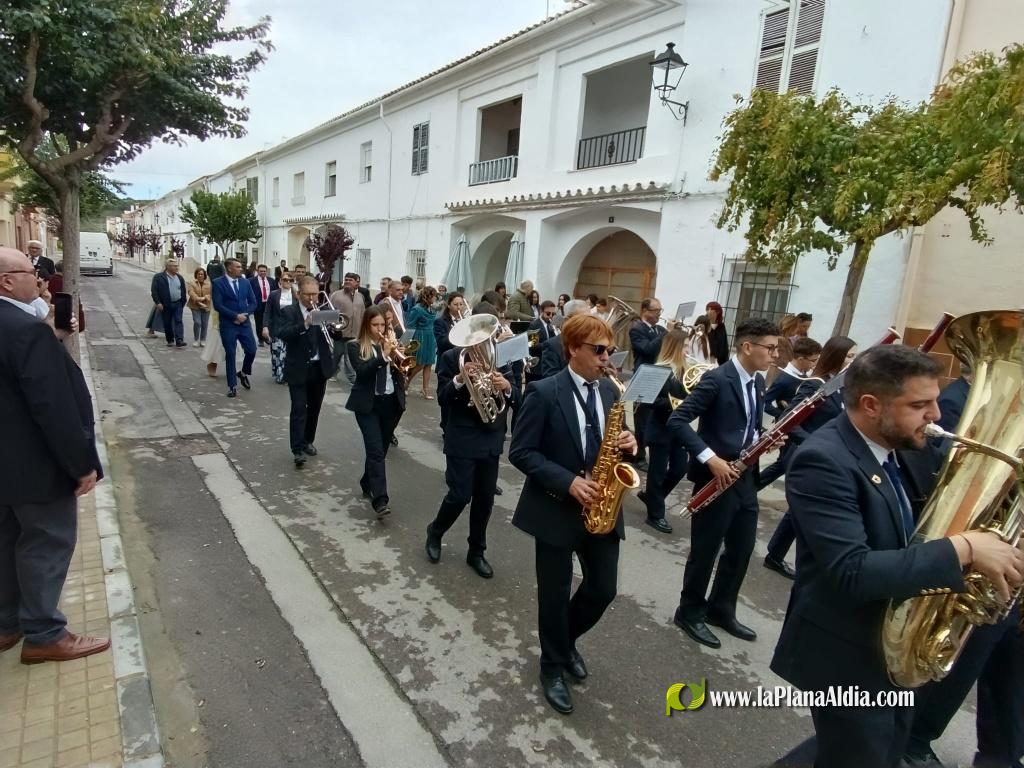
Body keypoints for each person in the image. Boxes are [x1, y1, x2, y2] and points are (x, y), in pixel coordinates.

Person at [771, 344, 1024, 768]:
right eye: (920, 405)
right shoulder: (821, 459)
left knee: (884, 748)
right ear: (872, 405)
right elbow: (853, 571)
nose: (937, 417)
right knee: (862, 755)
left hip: (898, 644)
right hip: (845, 652)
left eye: (935, 402)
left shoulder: (908, 444)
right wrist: (964, 549)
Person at [509, 313, 638, 715]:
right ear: (573, 349)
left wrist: (630, 442)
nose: (606, 358)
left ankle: (562, 644)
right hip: (556, 506)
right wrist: (568, 482)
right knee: (554, 593)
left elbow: (615, 445)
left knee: (603, 589)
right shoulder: (544, 391)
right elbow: (521, 452)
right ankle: (551, 666)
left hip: (603, 503)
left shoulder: (611, 393)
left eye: (609, 351)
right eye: (598, 350)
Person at [0, 246, 109, 663]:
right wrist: (81, 464)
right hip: (34, 466)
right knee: (46, 542)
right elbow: (51, 405)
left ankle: (7, 623)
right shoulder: (24, 330)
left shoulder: (28, 325)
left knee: (7, 541)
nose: (40, 279)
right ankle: (44, 634)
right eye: (31, 272)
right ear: (8, 281)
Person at [668, 317, 780, 649]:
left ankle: (721, 608)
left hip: (745, 477)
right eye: (770, 348)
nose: (775, 355)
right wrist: (710, 458)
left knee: (742, 548)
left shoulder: (757, 382)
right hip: (716, 478)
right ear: (748, 347)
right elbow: (678, 420)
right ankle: (688, 611)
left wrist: (764, 440)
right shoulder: (717, 380)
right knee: (706, 549)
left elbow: (746, 426)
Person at [426, 303, 519, 578]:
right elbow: (443, 398)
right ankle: (436, 530)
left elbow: (517, 399)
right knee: (459, 495)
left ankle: (476, 551)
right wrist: (458, 379)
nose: (483, 338)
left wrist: (508, 387)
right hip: (463, 436)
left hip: (491, 435)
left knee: (484, 499)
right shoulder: (452, 357)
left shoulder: (501, 357)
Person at [762, 335, 858, 579]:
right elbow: (789, 421)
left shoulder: (840, 384)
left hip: (830, 458)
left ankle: (776, 554)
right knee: (802, 509)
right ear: (836, 357)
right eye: (849, 355)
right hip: (809, 456)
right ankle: (779, 555)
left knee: (800, 510)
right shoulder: (814, 384)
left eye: (854, 355)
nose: (853, 360)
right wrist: (813, 444)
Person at [346, 306, 407, 519]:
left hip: (390, 402)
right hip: (367, 405)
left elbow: (402, 371)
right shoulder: (354, 346)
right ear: (366, 325)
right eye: (375, 325)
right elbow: (362, 373)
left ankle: (367, 481)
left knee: (380, 449)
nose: (379, 329)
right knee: (375, 451)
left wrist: (399, 355)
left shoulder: (390, 343)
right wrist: (383, 356)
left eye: (383, 325)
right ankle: (380, 500)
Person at [277, 276, 337, 468]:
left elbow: (337, 333)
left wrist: (333, 327)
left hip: (319, 367)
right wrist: (305, 324)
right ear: (298, 293)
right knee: (298, 409)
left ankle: (307, 440)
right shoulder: (289, 311)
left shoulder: (324, 310)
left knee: (314, 408)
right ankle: (297, 450)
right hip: (298, 368)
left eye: (315, 294)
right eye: (308, 294)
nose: (312, 298)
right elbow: (283, 333)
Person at [640, 328, 692, 534]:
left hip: (678, 429)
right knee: (657, 472)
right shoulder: (658, 369)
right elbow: (646, 400)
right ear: (676, 347)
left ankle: (653, 497)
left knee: (680, 469)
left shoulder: (684, 370)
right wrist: (675, 404)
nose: (689, 350)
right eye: (686, 346)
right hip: (660, 428)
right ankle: (655, 515)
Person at [757, 335, 822, 490]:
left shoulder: (806, 376)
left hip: (798, 427)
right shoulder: (785, 379)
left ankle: (750, 488)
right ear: (800, 359)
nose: (815, 364)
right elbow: (764, 402)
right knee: (786, 464)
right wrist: (783, 414)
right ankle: (751, 488)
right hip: (788, 429)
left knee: (783, 464)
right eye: (813, 360)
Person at [211, 257, 258, 398]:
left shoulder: (245, 282)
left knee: (252, 350)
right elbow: (218, 305)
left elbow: (253, 302)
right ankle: (232, 386)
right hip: (228, 325)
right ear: (229, 268)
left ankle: (243, 372)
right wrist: (234, 316)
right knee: (230, 354)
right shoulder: (218, 283)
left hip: (244, 324)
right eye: (237, 267)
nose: (241, 269)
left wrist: (245, 314)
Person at [330, 272, 367, 385]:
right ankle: (332, 372)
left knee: (350, 357)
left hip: (355, 332)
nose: (347, 282)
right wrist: (333, 327)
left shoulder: (360, 296)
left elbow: (363, 313)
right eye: (346, 279)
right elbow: (330, 312)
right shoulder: (336, 295)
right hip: (340, 332)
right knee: (337, 354)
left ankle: (353, 378)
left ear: (357, 282)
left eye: (350, 280)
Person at [405, 286, 438, 399]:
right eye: (434, 296)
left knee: (428, 364)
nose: (435, 298)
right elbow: (410, 325)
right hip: (420, 337)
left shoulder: (432, 309)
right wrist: (407, 341)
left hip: (430, 337)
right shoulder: (417, 309)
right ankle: (406, 383)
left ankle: (425, 390)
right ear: (428, 296)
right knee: (419, 363)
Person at [541, 299, 588, 378]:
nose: (589, 323)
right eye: (583, 320)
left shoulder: (589, 343)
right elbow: (550, 378)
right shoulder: (552, 345)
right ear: (568, 320)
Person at [264, 271, 296, 384]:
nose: (287, 282)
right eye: (285, 280)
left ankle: (287, 375)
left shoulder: (296, 294)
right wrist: (265, 327)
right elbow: (267, 312)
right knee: (277, 352)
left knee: (288, 353)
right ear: (280, 281)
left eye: (290, 280)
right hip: (277, 327)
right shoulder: (274, 294)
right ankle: (280, 374)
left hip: (291, 328)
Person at [151, 257, 188, 348]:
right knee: (167, 322)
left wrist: (183, 300)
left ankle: (179, 340)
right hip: (165, 304)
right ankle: (170, 339)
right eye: (175, 266)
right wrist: (158, 302)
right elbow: (154, 291)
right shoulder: (159, 277)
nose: (177, 268)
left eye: (177, 266)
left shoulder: (179, 277)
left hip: (178, 303)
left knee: (178, 321)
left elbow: (183, 290)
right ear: (168, 267)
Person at [248, 264, 277, 346]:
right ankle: (261, 339)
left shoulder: (271, 280)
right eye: (261, 271)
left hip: (269, 304)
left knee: (269, 321)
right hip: (258, 304)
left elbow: (275, 291)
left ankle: (268, 337)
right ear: (257, 271)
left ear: (266, 271)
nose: (263, 273)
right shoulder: (251, 281)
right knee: (259, 322)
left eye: (264, 271)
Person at [434, 292, 466, 361]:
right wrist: (457, 331)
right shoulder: (440, 321)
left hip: (461, 358)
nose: (459, 307)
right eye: (455, 304)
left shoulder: (465, 321)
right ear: (448, 305)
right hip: (446, 360)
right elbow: (441, 343)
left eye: (461, 304)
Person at [187, 267, 212, 347]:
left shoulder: (209, 284)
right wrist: (203, 298)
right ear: (196, 275)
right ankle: (196, 339)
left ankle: (203, 339)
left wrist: (208, 297)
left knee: (205, 324)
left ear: (204, 275)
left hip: (206, 306)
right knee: (197, 322)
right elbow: (192, 294)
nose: (200, 275)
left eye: (202, 274)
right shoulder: (192, 283)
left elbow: (212, 294)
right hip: (195, 306)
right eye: (198, 274)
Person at [705, 301, 729, 365]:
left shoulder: (721, 327)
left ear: (717, 312)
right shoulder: (704, 325)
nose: (708, 311)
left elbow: (724, 346)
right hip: (706, 360)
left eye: (711, 309)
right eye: (707, 309)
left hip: (719, 362)